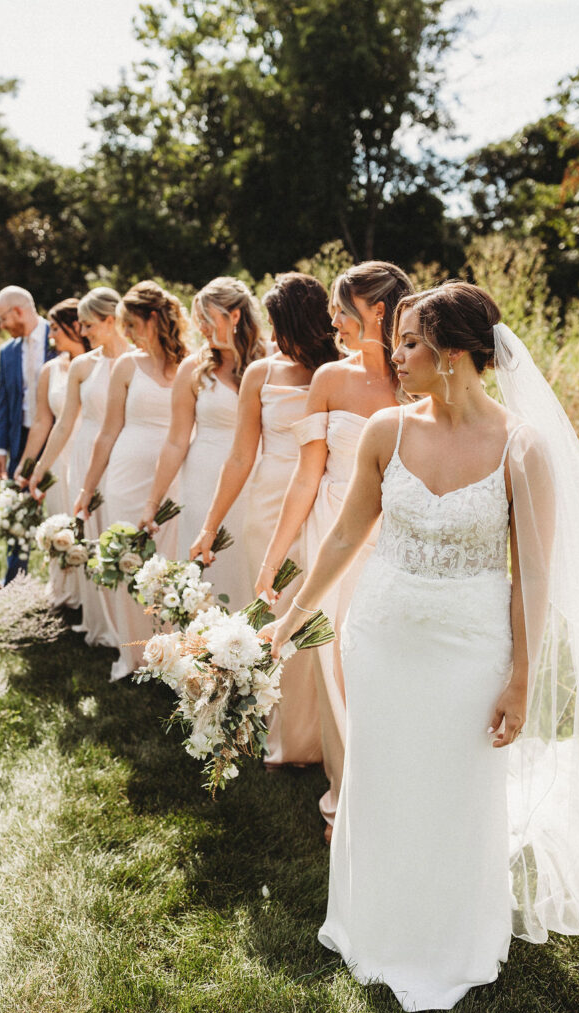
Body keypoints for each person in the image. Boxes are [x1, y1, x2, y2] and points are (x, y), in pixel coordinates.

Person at [261, 282, 579, 1010]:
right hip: (383, 638)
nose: (396, 353)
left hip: (470, 647)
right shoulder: (386, 430)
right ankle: (372, 923)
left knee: (455, 790)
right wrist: (290, 619)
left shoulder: (522, 446)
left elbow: (533, 576)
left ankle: (451, 935)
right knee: (384, 778)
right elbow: (345, 536)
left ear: (453, 354)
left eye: (411, 340)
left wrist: (520, 677)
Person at [255, 261, 413, 839]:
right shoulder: (328, 380)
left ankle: (398, 782)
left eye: (342, 313)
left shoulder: (417, 382)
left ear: (377, 313)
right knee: (333, 663)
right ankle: (346, 796)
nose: (334, 324)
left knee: (385, 666)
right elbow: (305, 477)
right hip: (329, 533)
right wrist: (275, 560)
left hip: (396, 541)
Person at [191, 272, 340, 768]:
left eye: (280, 325)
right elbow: (239, 458)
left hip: (331, 508)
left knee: (327, 618)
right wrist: (209, 526)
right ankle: (290, 740)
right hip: (269, 510)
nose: (273, 338)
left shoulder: (343, 371)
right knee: (278, 622)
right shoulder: (261, 375)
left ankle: (333, 734)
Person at [75, 281, 189, 680]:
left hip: (176, 479)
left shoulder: (191, 362)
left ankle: (172, 648)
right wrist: (88, 489)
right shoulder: (126, 366)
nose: (127, 333)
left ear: (154, 319)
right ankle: (135, 652)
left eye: (132, 324)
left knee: (172, 563)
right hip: (125, 476)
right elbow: (107, 433)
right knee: (128, 561)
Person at [139, 277, 265, 609]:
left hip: (256, 478)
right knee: (208, 569)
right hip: (202, 481)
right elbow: (176, 441)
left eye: (208, 319)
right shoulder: (193, 369)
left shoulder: (269, 363)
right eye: (199, 321)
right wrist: (153, 502)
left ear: (234, 316)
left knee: (250, 561)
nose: (202, 328)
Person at [28, 287, 127, 645]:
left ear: (111, 321)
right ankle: (99, 621)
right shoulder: (84, 366)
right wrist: (39, 468)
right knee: (91, 538)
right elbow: (64, 423)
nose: (82, 333)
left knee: (122, 537)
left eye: (88, 325)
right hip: (84, 455)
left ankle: (130, 622)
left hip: (123, 457)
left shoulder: (138, 361)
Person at [15, 298, 89, 608]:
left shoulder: (103, 363)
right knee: (62, 524)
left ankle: (98, 594)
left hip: (94, 453)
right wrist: (28, 465)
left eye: (56, 328)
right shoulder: (50, 370)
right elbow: (43, 422)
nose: (50, 336)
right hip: (59, 457)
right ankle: (68, 593)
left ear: (76, 326)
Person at [0, 285, 53, 583]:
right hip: (21, 441)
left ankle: (62, 580)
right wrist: (0, 448)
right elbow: (4, 401)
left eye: (2, 319)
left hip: (59, 439)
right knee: (16, 512)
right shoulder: (7, 353)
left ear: (18, 311)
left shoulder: (62, 334)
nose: (0, 326)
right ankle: (15, 582)